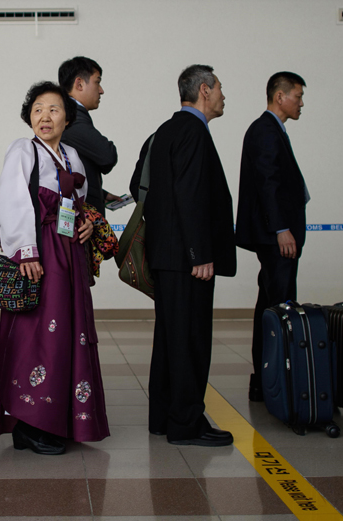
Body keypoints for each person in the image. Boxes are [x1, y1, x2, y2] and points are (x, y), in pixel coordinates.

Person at [0, 81, 107, 454]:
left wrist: (88, 224)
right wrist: (26, 252)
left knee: (66, 334)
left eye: (54, 109)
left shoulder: (72, 155)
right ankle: (29, 423)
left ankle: (59, 418)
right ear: (30, 115)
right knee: (38, 336)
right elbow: (12, 203)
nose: (45, 116)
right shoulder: (23, 151)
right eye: (38, 108)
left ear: (67, 118)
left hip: (70, 255)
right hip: (40, 253)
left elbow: (80, 202)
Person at [130, 64, 237, 446]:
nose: (224, 95)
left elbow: (136, 183)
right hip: (188, 259)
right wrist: (199, 253)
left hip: (166, 255)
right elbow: (192, 195)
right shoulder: (193, 132)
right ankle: (186, 424)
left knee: (170, 340)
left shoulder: (164, 131)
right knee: (191, 340)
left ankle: (163, 417)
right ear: (204, 91)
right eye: (221, 88)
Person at [234, 71, 308, 404]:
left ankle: (266, 381)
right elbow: (268, 183)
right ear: (280, 96)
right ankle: (276, 379)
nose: (301, 103)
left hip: (276, 234)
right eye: (298, 95)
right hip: (276, 236)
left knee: (270, 305)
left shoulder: (271, 130)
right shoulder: (265, 130)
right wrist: (281, 229)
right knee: (280, 307)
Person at [59, 57, 118, 217]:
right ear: (79, 84)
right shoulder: (74, 119)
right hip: (82, 220)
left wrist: (101, 193)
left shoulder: (71, 116)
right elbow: (107, 156)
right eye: (97, 82)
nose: (101, 90)